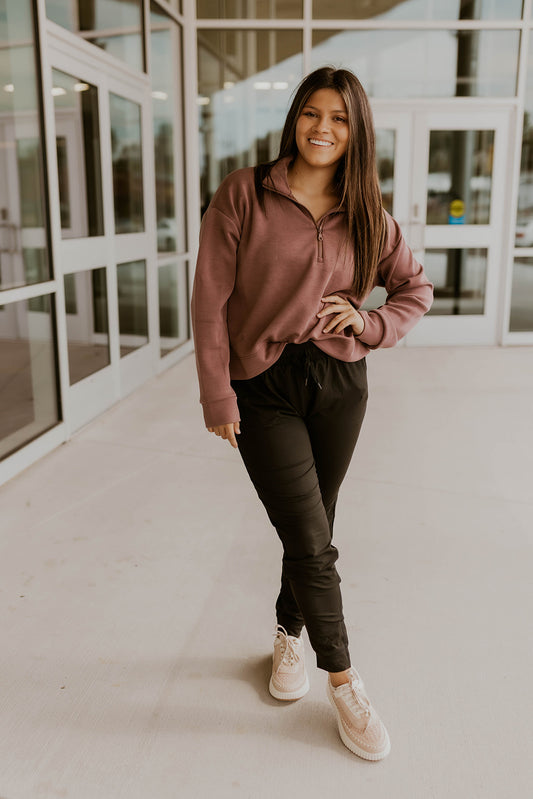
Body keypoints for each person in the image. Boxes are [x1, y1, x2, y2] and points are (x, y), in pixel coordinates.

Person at [191, 66, 433, 761]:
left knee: (314, 526)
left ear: (356, 132)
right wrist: (216, 393)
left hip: (339, 382)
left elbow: (414, 289)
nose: (322, 128)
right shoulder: (245, 193)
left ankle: (286, 633)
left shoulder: (369, 213)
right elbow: (209, 299)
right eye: (311, 113)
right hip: (262, 384)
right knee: (309, 534)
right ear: (294, 117)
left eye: (339, 118)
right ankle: (344, 679)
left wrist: (369, 322)